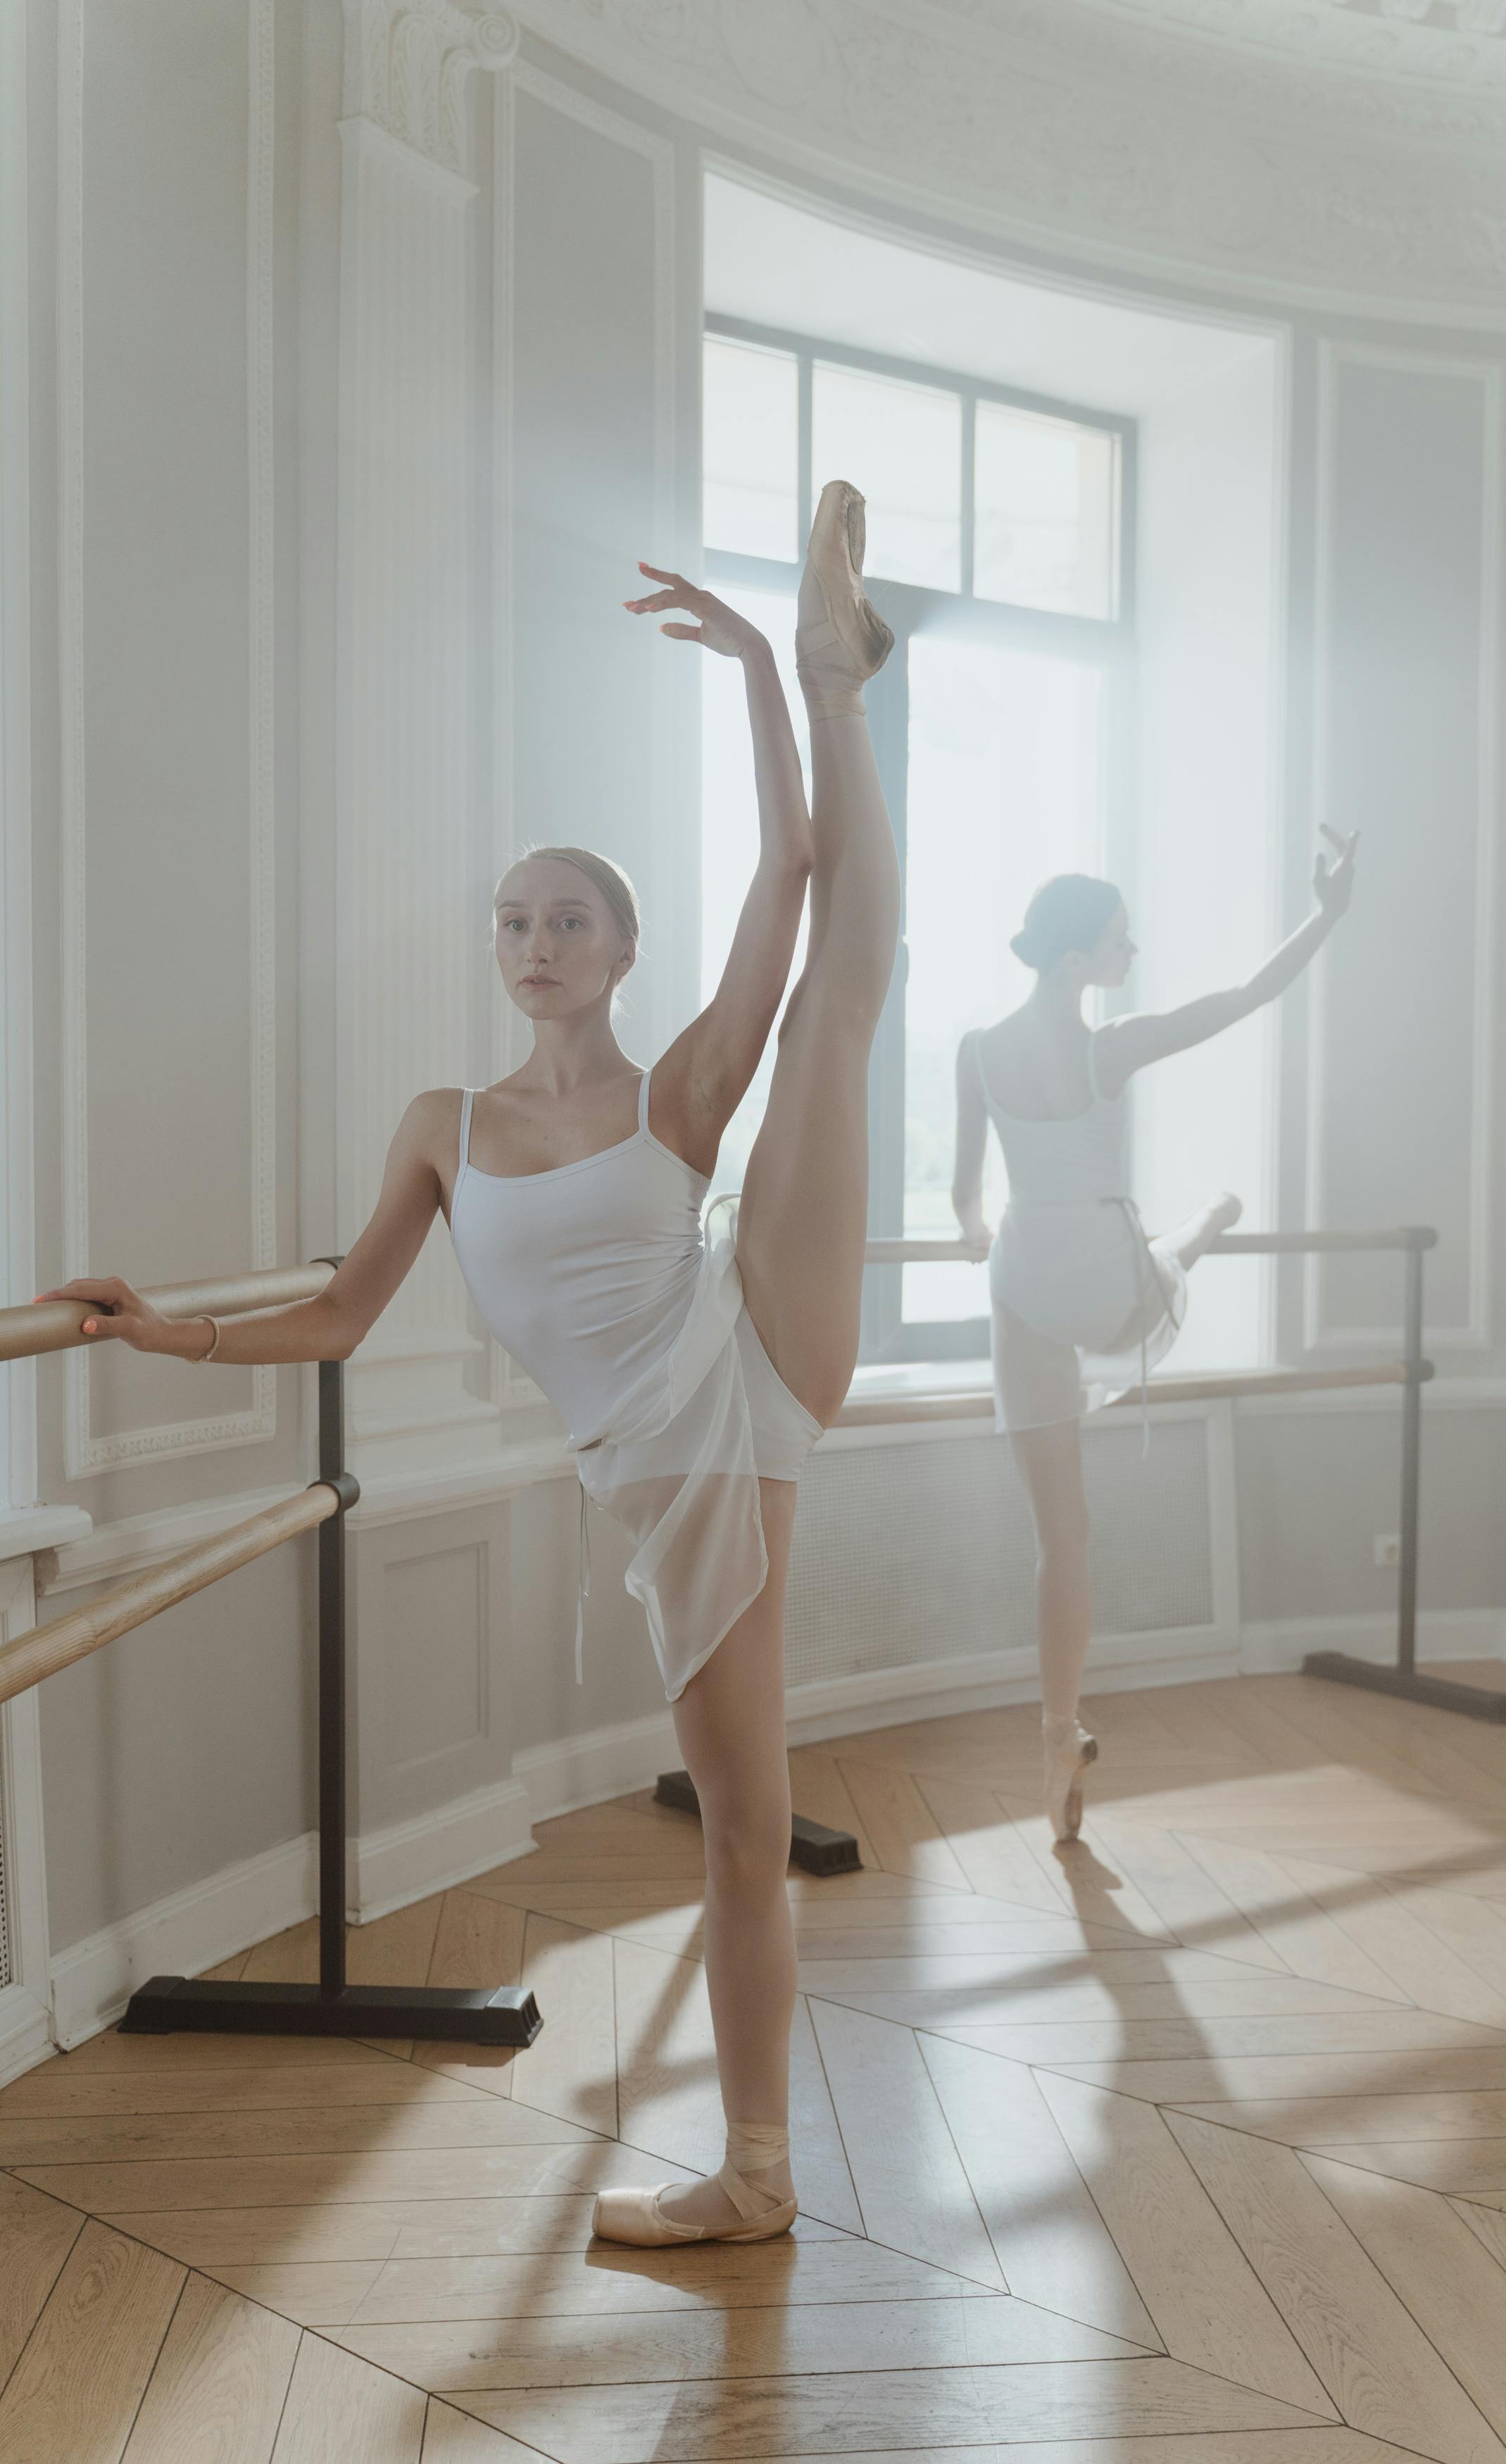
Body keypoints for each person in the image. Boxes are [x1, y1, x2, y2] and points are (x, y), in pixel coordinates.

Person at [37, 481, 901, 2249]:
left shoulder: (675, 1089)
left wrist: (756, 667)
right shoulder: (443, 1123)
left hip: (745, 1362)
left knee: (834, 998)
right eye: (512, 920)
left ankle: (836, 674)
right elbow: (347, 1315)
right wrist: (163, 1327)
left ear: (623, 950)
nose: (533, 944)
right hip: (651, 1465)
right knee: (745, 1813)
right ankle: (756, 2164)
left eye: (568, 919)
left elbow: (790, 876)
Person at [951, 833, 1357, 1844]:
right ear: (1080, 958)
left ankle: (1055, 1728)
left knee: (1061, 1543)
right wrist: (1328, 912)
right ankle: (1210, 1222)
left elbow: (967, 1199)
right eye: (1120, 942)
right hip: (1101, 1277)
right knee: (1169, 1260)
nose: (1130, 957)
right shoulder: (1109, 1046)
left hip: (1021, 1284)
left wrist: (970, 1228)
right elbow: (1242, 999)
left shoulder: (975, 1050)